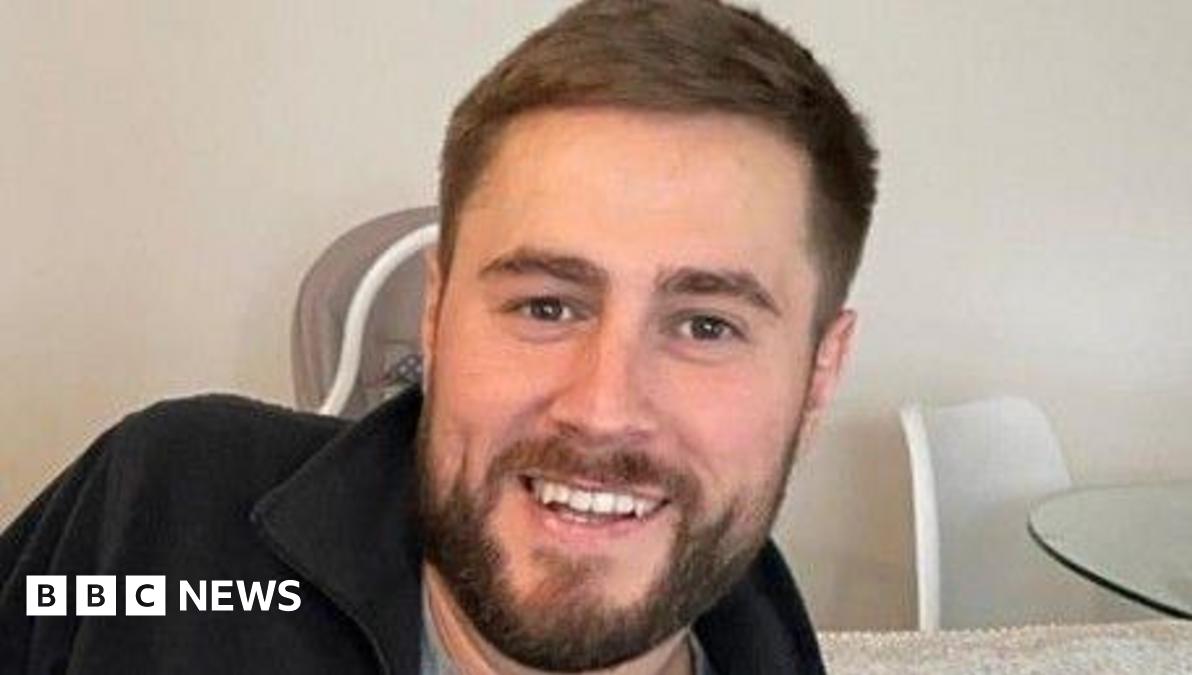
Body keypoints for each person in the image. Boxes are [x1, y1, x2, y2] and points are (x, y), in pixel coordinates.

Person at [0, 0, 877, 673]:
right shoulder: (161, 516)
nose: (603, 410)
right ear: (437, 310)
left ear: (818, 372)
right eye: (546, 305)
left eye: (705, 325)